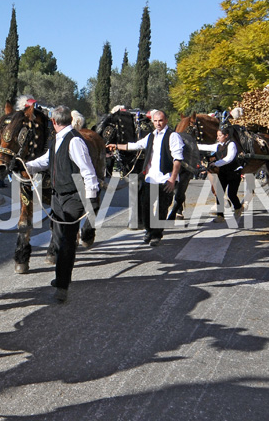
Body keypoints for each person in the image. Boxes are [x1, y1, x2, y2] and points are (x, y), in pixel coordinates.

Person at [25, 105, 100, 303]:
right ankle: (61, 276)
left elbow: (88, 170)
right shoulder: (56, 140)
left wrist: (91, 197)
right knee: (58, 239)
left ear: (53, 122)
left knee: (67, 241)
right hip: (58, 197)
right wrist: (26, 165)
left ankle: (63, 285)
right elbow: (46, 161)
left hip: (73, 197)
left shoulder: (74, 141)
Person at [107, 110, 183, 246]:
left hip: (165, 178)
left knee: (162, 208)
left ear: (166, 120)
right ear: (152, 122)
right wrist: (117, 146)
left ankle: (156, 235)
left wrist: (172, 178)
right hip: (151, 178)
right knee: (146, 206)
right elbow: (136, 145)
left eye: (160, 120)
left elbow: (177, 159)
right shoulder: (151, 136)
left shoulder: (173, 136)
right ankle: (149, 230)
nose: (158, 123)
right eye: (155, 121)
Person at [198, 125, 244, 223]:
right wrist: (193, 145)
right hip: (223, 173)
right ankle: (220, 215)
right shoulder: (218, 145)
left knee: (232, 194)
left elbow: (229, 158)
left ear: (226, 135)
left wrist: (216, 163)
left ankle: (238, 207)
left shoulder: (232, 144)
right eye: (217, 135)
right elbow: (206, 147)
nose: (217, 137)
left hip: (234, 173)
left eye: (219, 135)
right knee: (219, 193)